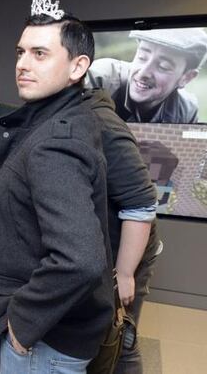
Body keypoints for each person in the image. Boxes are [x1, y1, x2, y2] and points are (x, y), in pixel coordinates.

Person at [0, 0, 116, 374]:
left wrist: (22, 323)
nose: (22, 64)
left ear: (77, 66)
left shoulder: (56, 142)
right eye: (20, 52)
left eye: (39, 54)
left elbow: (80, 259)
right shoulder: (58, 119)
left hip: (43, 340)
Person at [82, 89, 159, 374]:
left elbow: (141, 202)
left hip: (122, 253)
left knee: (121, 336)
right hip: (103, 250)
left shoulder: (101, 123)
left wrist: (124, 272)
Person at [85, 28, 207, 123]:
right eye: (142, 57)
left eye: (163, 66)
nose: (143, 72)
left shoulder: (185, 111)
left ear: (186, 78)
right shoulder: (100, 80)